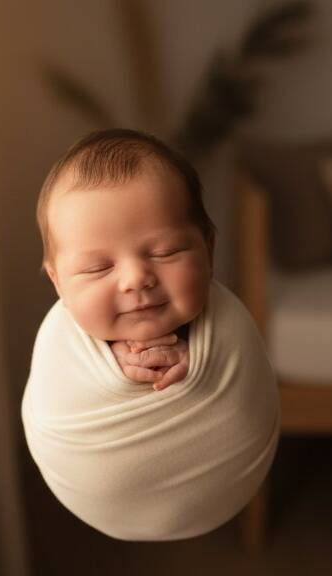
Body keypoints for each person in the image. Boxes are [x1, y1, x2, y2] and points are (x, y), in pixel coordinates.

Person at [37, 128, 216, 391]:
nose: (135, 279)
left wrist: (206, 363)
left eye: (164, 252)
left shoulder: (227, 325)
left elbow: (237, 372)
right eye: (98, 268)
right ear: (58, 283)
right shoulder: (59, 346)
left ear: (209, 250)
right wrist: (105, 367)